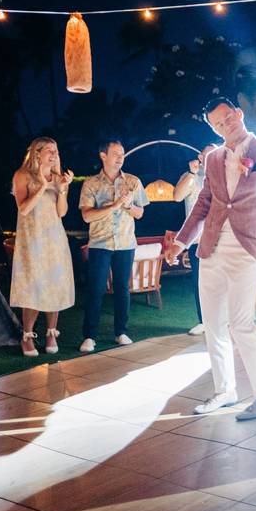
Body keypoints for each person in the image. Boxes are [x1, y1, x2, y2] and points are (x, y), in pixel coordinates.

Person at [164, 97, 256, 421]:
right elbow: (203, 203)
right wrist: (180, 242)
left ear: (239, 114)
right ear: (214, 129)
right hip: (211, 249)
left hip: (246, 249)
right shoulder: (215, 159)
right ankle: (225, 390)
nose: (225, 126)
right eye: (218, 124)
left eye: (228, 118)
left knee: (242, 324)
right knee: (214, 324)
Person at [78, 140, 149, 353]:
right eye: (115, 153)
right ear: (103, 155)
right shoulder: (91, 183)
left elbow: (140, 213)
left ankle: (121, 332)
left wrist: (127, 205)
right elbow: (87, 215)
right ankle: (89, 336)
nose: (120, 157)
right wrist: (115, 205)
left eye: (122, 153)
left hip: (126, 243)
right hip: (100, 243)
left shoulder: (133, 181)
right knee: (96, 289)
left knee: (122, 289)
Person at [10, 137, 76, 356]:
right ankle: (27, 335)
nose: (54, 153)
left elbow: (62, 212)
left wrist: (63, 189)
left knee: (54, 284)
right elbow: (24, 209)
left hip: (54, 238)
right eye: (49, 150)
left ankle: (51, 332)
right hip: (32, 239)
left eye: (56, 150)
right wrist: (42, 186)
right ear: (36, 153)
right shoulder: (22, 175)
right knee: (34, 286)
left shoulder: (57, 177)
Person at [174, 144, 217, 336]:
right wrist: (192, 174)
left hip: (222, 240)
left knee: (223, 282)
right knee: (200, 282)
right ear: (200, 157)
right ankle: (204, 321)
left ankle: (225, 321)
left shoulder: (224, 176)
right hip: (198, 241)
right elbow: (177, 197)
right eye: (206, 154)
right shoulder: (190, 177)